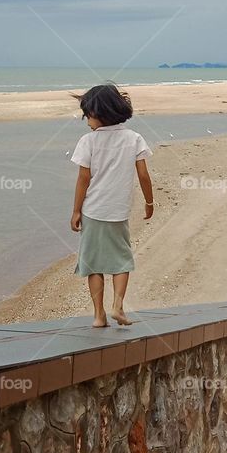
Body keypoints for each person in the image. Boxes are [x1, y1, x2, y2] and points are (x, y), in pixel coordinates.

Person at [69, 83, 154, 327]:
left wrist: (76, 210)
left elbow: (83, 179)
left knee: (94, 264)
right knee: (120, 261)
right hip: (118, 211)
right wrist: (149, 201)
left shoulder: (88, 141)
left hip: (93, 211)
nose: (87, 121)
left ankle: (99, 315)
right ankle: (118, 305)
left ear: (101, 113)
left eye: (88, 115)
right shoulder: (134, 138)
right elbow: (144, 176)